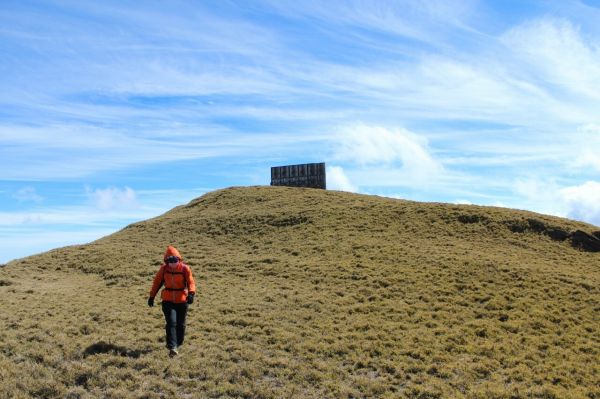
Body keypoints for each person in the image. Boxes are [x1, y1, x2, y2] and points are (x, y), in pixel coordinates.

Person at [148, 245, 196, 357]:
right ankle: (172, 347)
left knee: (181, 324)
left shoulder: (185, 269)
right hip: (167, 300)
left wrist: (191, 294)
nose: (172, 263)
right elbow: (157, 283)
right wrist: (152, 297)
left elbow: (191, 282)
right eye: (170, 260)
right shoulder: (163, 269)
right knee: (171, 322)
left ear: (178, 259)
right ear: (166, 261)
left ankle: (177, 344)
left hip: (182, 300)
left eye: (174, 260)